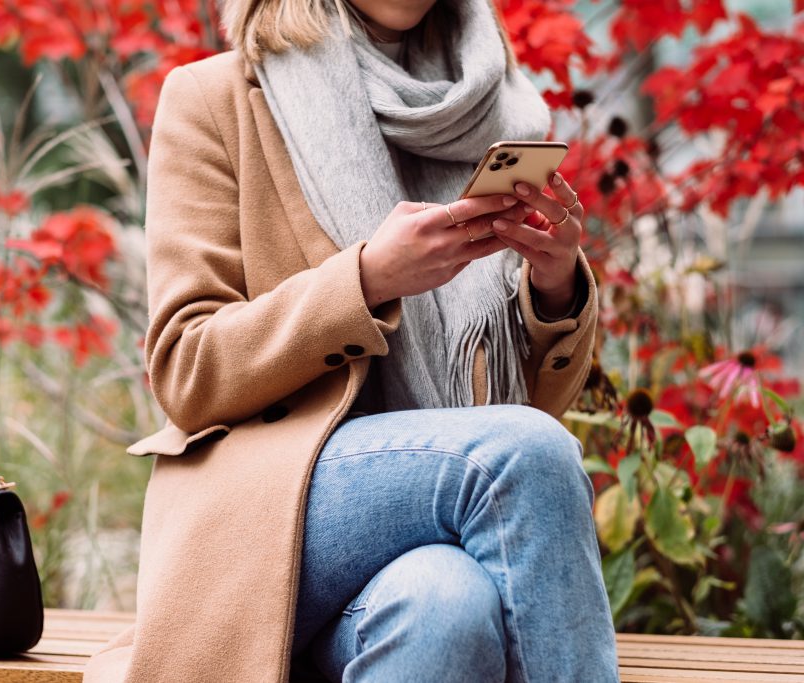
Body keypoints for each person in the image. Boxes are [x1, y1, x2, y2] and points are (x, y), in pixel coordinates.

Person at [85, 0, 621, 681]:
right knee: (521, 453)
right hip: (274, 507)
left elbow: (525, 405)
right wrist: (364, 281)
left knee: (444, 603)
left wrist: (554, 288)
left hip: (434, 504)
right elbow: (188, 369)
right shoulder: (214, 99)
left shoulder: (485, 113)